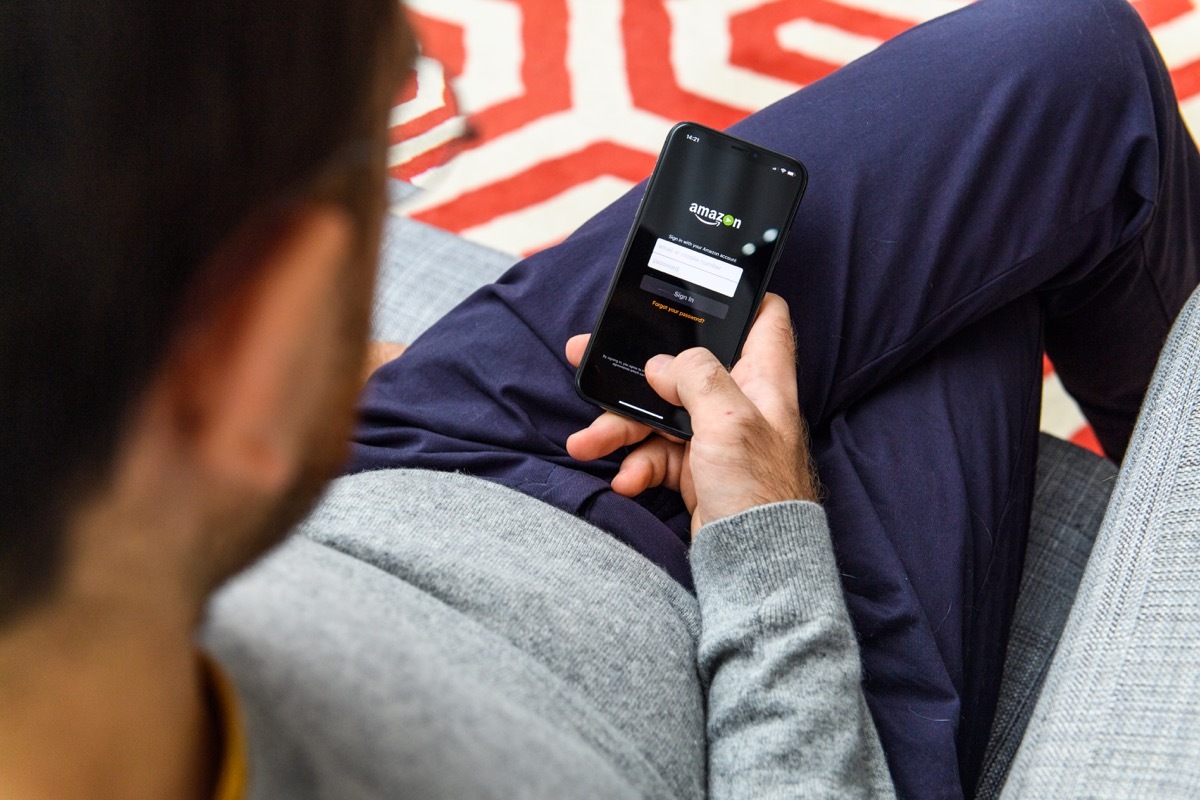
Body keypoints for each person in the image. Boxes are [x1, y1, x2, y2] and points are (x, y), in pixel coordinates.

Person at [0, 4, 1196, 800]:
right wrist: (765, 526)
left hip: (424, 453)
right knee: (1047, 180)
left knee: (1058, 66)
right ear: (252, 351)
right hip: (760, 660)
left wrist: (314, 404)